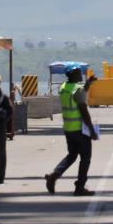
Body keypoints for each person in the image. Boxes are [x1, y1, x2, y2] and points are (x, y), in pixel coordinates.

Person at [44, 68, 98, 196]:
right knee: (86, 158)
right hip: (80, 129)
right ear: (72, 74)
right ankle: (80, 186)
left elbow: (78, 95)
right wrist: (91, 130)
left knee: (72, 155)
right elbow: (83, 111)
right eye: (78, 72)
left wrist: (88, 84)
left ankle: (54, 176)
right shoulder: (76, 89)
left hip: (68, 128)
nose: (81, 74)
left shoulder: (64, 87)